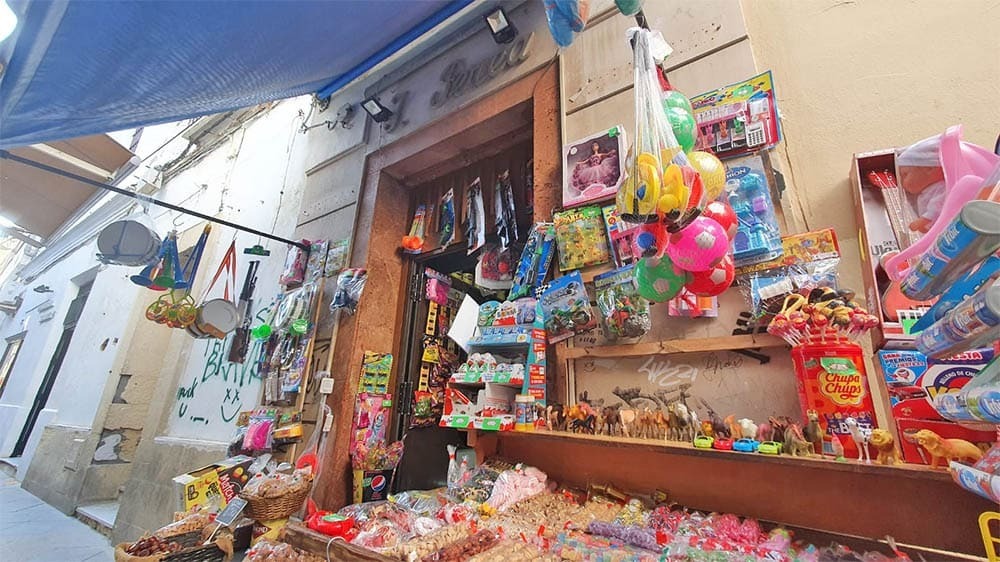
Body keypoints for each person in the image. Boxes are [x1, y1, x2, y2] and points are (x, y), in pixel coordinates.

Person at [896, 135, 946, 233]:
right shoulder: (928, 191)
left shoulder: (941, 188)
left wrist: (924, 220)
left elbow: (938, 207)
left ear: (929, 169)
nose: (902, 183)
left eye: (905, 175)